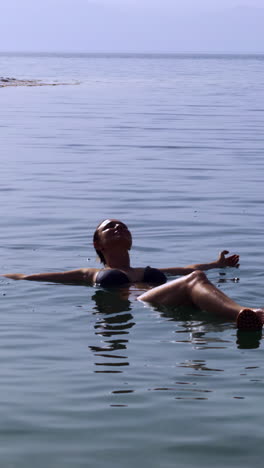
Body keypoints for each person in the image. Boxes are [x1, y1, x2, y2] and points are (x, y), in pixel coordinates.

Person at [2, 219, 263, 331]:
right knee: (196, 280)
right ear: (98, 244)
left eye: (123, 226)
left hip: (169, 302)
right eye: (110, 227)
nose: (118, 228)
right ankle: (244, 313)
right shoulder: (90, 273)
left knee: (195, 279)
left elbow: (187, 270)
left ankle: (243, 317)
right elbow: (36, 277)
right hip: (144, 303)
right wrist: (9, 276)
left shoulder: (150, 270)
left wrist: (217, 264)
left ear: (131, 239)